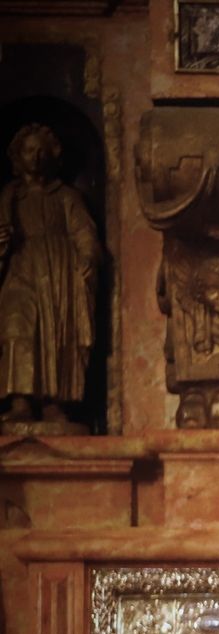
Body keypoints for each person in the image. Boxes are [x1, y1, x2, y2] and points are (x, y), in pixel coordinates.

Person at [0, 122, 100, 422]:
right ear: (19, 157)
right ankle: (20, 401)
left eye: (42, 150)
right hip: (21, 266)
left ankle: (54, 403)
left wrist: (88, 258)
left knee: (58, 334)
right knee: (18, 327)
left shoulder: (66, 196)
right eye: (30, 150)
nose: (36, 156)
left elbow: (84, 233)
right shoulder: (10, 196)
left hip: (59, 273)